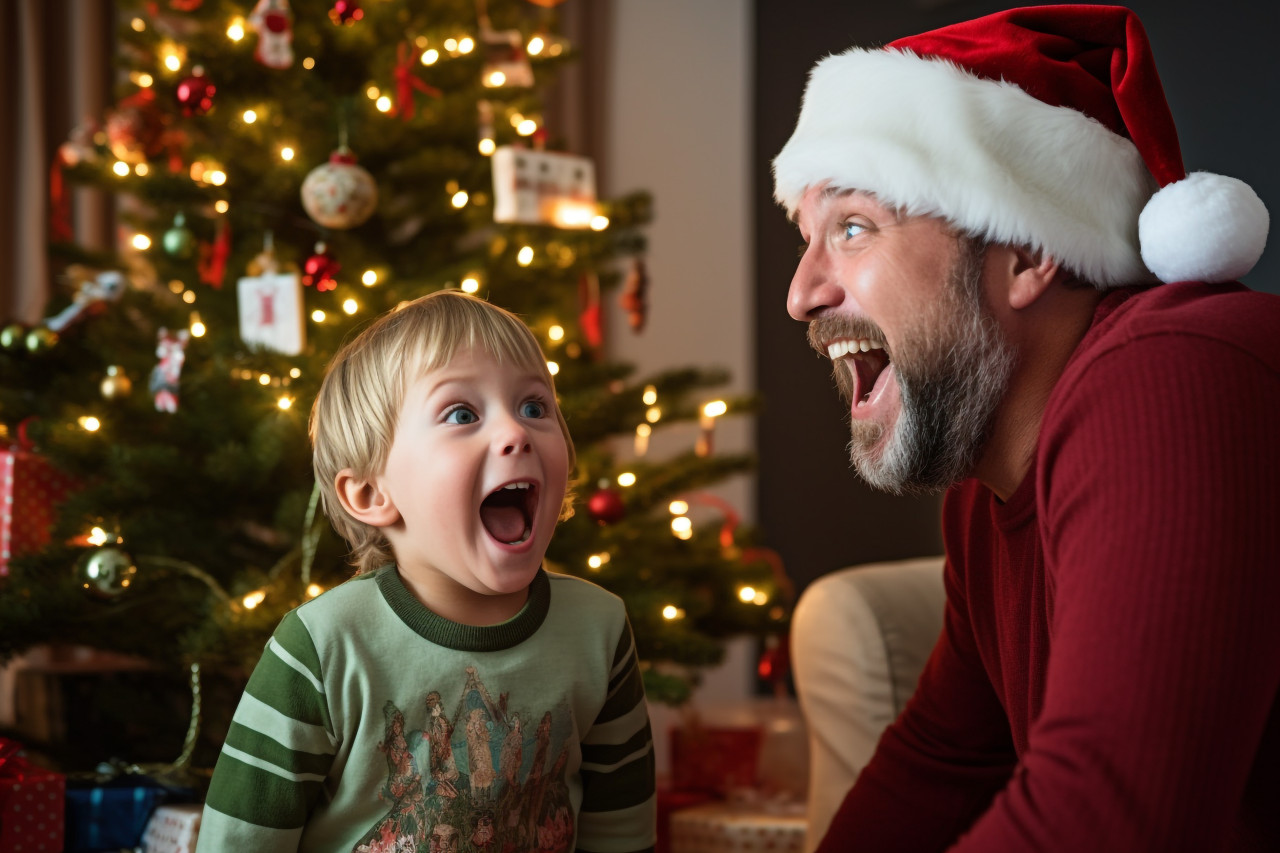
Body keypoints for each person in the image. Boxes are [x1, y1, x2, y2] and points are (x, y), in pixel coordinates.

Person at [773, 6, 1280, 852]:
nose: (801, 294)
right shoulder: (988, 500)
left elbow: (1108, 815)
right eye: (807, 239)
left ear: (1026, 253)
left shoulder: (1178, 370)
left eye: (853, 228)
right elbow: (936, 765)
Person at [199, 290, 656, 852]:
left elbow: (622, 832)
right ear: (371, 492)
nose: (516, 432)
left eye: (535, 407)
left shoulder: (599, 629)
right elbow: (238, 842)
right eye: (462, 414)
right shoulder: (322, 646)